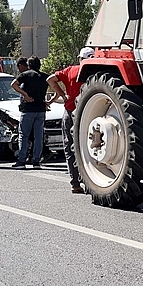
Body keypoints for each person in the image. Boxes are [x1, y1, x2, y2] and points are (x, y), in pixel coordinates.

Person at [48, 47, 95, 194]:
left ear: (80, 59)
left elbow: (50, 79)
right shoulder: (96, 73)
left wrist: (62, 95)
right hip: (90, 113)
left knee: (70, 147)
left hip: (71, 111)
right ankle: (91, 181)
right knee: (90, 148)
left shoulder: (71, 70)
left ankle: (75, 183)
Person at [11, 56, 49, 168]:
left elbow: (13, 84)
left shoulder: (25, 75)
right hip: (40, 109)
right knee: (38, 136)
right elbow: (57, 89)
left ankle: (21, 161)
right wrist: (49, 102)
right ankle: (36, 161)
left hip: (28, 109)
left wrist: (25, 95)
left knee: (24, 135)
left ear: (29, 65)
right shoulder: (45, 77)